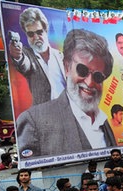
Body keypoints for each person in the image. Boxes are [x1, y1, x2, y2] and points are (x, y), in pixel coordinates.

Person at [16, 29, 117, 158]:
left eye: (98, 76)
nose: (90, 82)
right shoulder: (33, 120)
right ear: (66, 67)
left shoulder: (103, 122)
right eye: (82, 70)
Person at [9, 7, 66, 105]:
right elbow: (24, 64)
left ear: (46, 31)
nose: (36, 37)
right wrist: (18, 56)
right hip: (43, 116)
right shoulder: (26, 54)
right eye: (31, 34)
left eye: (39, 32)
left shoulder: (60, 56)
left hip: (67, 112)